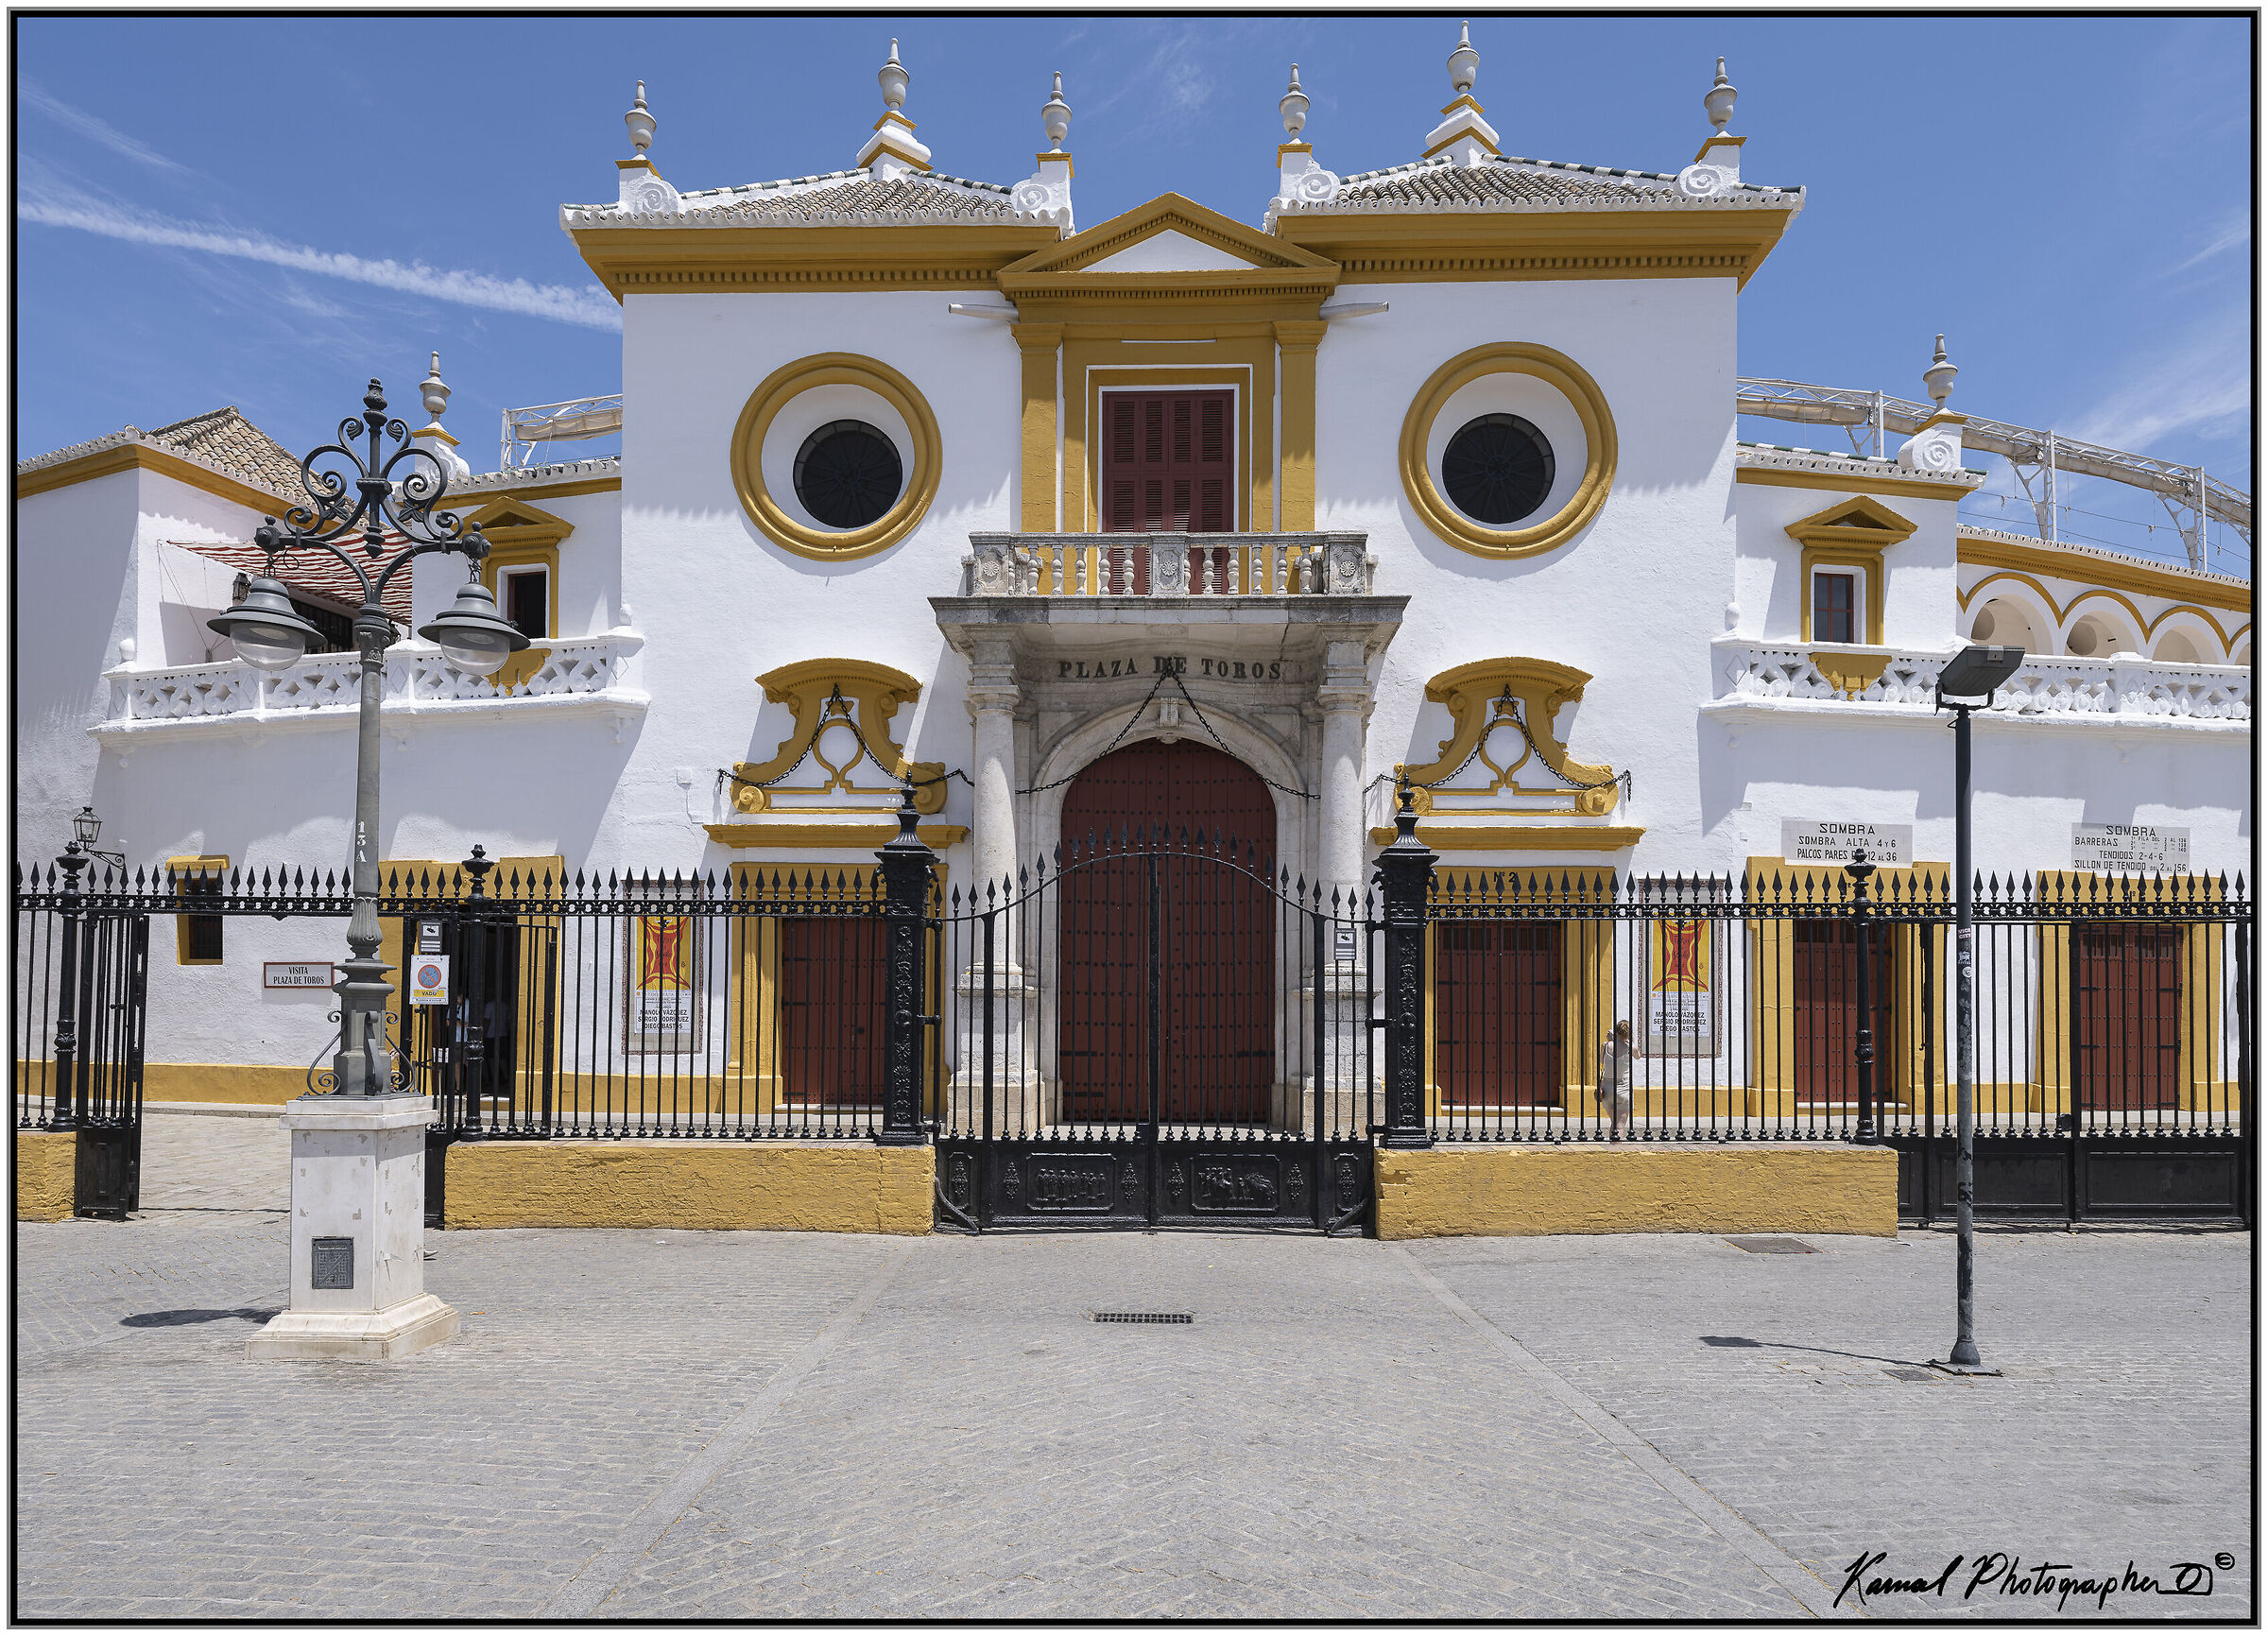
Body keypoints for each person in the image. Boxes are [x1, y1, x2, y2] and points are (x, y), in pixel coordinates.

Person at [1597, 1020, 1634, 1140]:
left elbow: (1601, 1061)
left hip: (1607, 1088)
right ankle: (1616, 1148)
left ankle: (1612, 1147)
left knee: (1614, 1123)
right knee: (1620, 1126)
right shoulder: (1630, 1046)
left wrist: (1612, 1041)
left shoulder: (1606, 1045)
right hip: (1623, 1088)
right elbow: (1638, 1056)